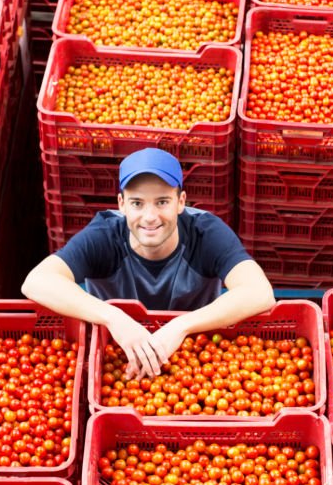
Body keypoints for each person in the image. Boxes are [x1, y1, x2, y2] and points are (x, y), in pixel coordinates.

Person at [22, 148, 275, 380]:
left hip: (195, 358)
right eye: (137, 203)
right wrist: (114, 319)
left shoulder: (205, 233)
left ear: (181, 202)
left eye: (162, 201)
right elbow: (37, 281)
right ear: (121, 205)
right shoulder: (104, 235)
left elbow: (259, 292)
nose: (150, 217)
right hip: (118, 355)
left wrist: (182, 326)